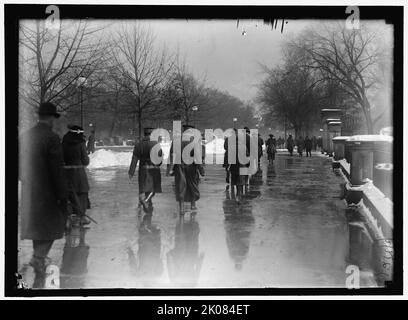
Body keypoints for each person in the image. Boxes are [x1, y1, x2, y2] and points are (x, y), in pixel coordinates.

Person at [19, 102, 68, 288]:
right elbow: (57, 170)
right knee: (54, 226)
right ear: (50, 118)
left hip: (30, 190)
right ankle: (38, 258)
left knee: (36, 227)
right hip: (48, 192)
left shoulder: (25, 136)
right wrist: (63, 194)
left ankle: (38, 257)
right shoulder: (51, 137)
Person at [167, 125, 204, 215]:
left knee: (180, 186)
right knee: (192, 185)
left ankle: (182, 208)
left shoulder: (176, 140)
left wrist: (170, 168)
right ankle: (193, 205)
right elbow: (197, 156)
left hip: (179, 166)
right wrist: (201, 169)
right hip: (191, 166)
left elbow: (172, 155)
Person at [128, 127, 163, 214]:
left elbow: (134, 159)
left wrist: (131, 172)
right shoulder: (156, 144)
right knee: (153, 188)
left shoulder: (138, 145)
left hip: (142, 170)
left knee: (144, 188)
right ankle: (146, 200)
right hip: (153, 169)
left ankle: (148, 206)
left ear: (145, 134)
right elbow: (160, 158)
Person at [62, 125, 91, 226]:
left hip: (66, 173)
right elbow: (85, 161)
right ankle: (82, 216)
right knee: (82, 193)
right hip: (78, 173)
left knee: (69, 194)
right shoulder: (81, 143)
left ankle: (69, 216)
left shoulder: (64, 143)